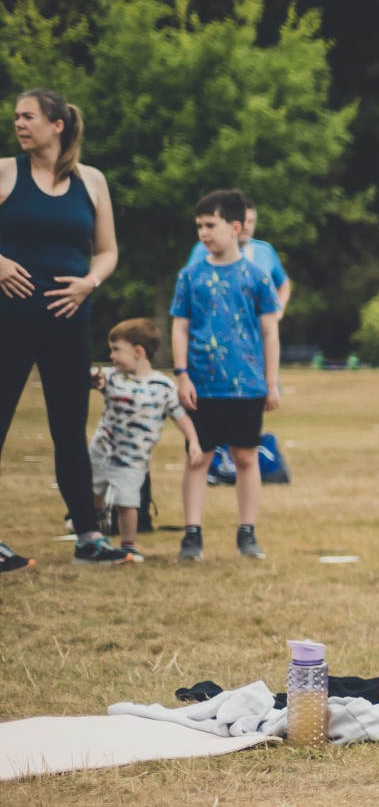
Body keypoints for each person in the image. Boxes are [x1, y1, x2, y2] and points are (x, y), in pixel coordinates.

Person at [0, 88, 125, 572]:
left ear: (57, 125)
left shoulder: (91, 181)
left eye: (28, 116)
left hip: (69, 323)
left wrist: (89, 283)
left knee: (69, 429)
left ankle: (89, 538)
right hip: (9, 322)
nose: (19, 124)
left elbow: (108, 249)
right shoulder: (7, 171)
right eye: (15, 117)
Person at [172, 189, 283, 562]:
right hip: (202, 383)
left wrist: (271, 381)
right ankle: (192, 533)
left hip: (247, 384)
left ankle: (247, 532)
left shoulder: (257, 277)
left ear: (235, 227)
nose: (203, 233)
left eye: (210, 225)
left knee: (246, 457)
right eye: (199, 226)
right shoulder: (190, 276)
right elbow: (180, 328)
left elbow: (270, 332)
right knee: (197, 458)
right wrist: (182, 374)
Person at [87, 317, 197, 558]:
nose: (112, 356)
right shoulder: (111, 376)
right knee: (92, 495)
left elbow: (180, 416)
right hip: (101, 452)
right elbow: (88, 378)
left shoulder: (162, 386)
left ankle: (128, 545)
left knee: (128, 504)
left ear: (138, 351)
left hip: (133, 460)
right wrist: (91, 381)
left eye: (116, 350)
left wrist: (194, 442)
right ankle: (91, 532)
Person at [182, 198, 291, 315]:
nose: (246, 226)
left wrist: (276, 313)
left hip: (259, 329)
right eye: (243, 221)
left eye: (251, 222)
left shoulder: (265, 250)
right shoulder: (205, 249)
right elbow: (188, 287)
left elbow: (283, 285)